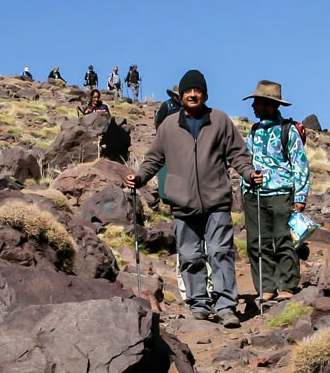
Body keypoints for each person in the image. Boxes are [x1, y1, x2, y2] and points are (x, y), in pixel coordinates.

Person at [126, 69, 262, 327]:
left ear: (205, 94)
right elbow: (154, 159)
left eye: (196, 91)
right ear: (181, 96)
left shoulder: (220, 121)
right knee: (189, 257)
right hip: (183, 203)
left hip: (217, 201)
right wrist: (140, 178)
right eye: (188, 91)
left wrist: (248, 173)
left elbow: (238, 155)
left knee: (220, 253)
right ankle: (199, 305)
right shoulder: (168, 126)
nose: (192, 95)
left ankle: (225, 306)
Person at [240, 80, 310, 302]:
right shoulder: (254, 131)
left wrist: (300, 196)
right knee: (257, 242)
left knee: (283, 240)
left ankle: (287, 285)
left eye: (257, 102)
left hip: (281, 194)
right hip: (254, 194)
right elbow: (246, 159)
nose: (253, 107)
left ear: (269, 104)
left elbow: (300, 164)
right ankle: (266, 287)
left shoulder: (288, 131)